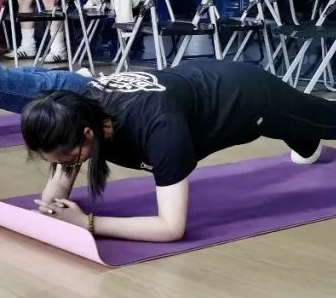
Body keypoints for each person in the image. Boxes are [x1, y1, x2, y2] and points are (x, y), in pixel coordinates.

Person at [21, 60, 332, 243]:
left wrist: (86, 223)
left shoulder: (160, 129)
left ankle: (307, 132)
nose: (65, 166)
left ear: (87, 134)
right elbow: (62, 174)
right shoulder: (80, 112)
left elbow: (170, 228)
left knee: (324, 119)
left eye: (66, 159)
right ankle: (306, 140)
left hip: (249, 97)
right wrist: (49, 209)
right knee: (304, 138)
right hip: (200, 81)